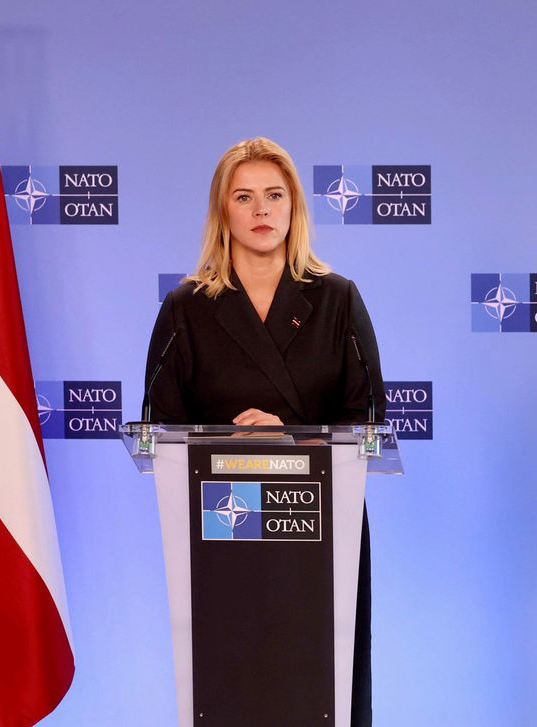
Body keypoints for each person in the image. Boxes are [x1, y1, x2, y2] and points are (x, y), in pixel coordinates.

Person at [144, 137, 384, 725]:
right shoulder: (187, 307)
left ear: (294, 208)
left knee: (321, 689)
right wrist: (225, 448)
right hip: (221, 533)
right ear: (222, 212)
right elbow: (157, 427)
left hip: (318, 523)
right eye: (244, 197)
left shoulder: (336, 299)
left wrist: (293, 436)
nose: (261, 210)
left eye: (275, 196)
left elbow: (368, 420)